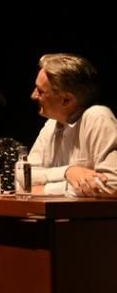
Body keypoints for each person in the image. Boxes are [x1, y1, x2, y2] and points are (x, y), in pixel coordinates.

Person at [28, 53, 117, 197]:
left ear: (67, 100)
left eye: (40, 91)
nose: (33, 95)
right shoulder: (50, 125)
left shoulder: (98, 117)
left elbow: (113, 184)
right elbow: (23, 178)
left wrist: (47, 190)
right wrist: (67, 171)